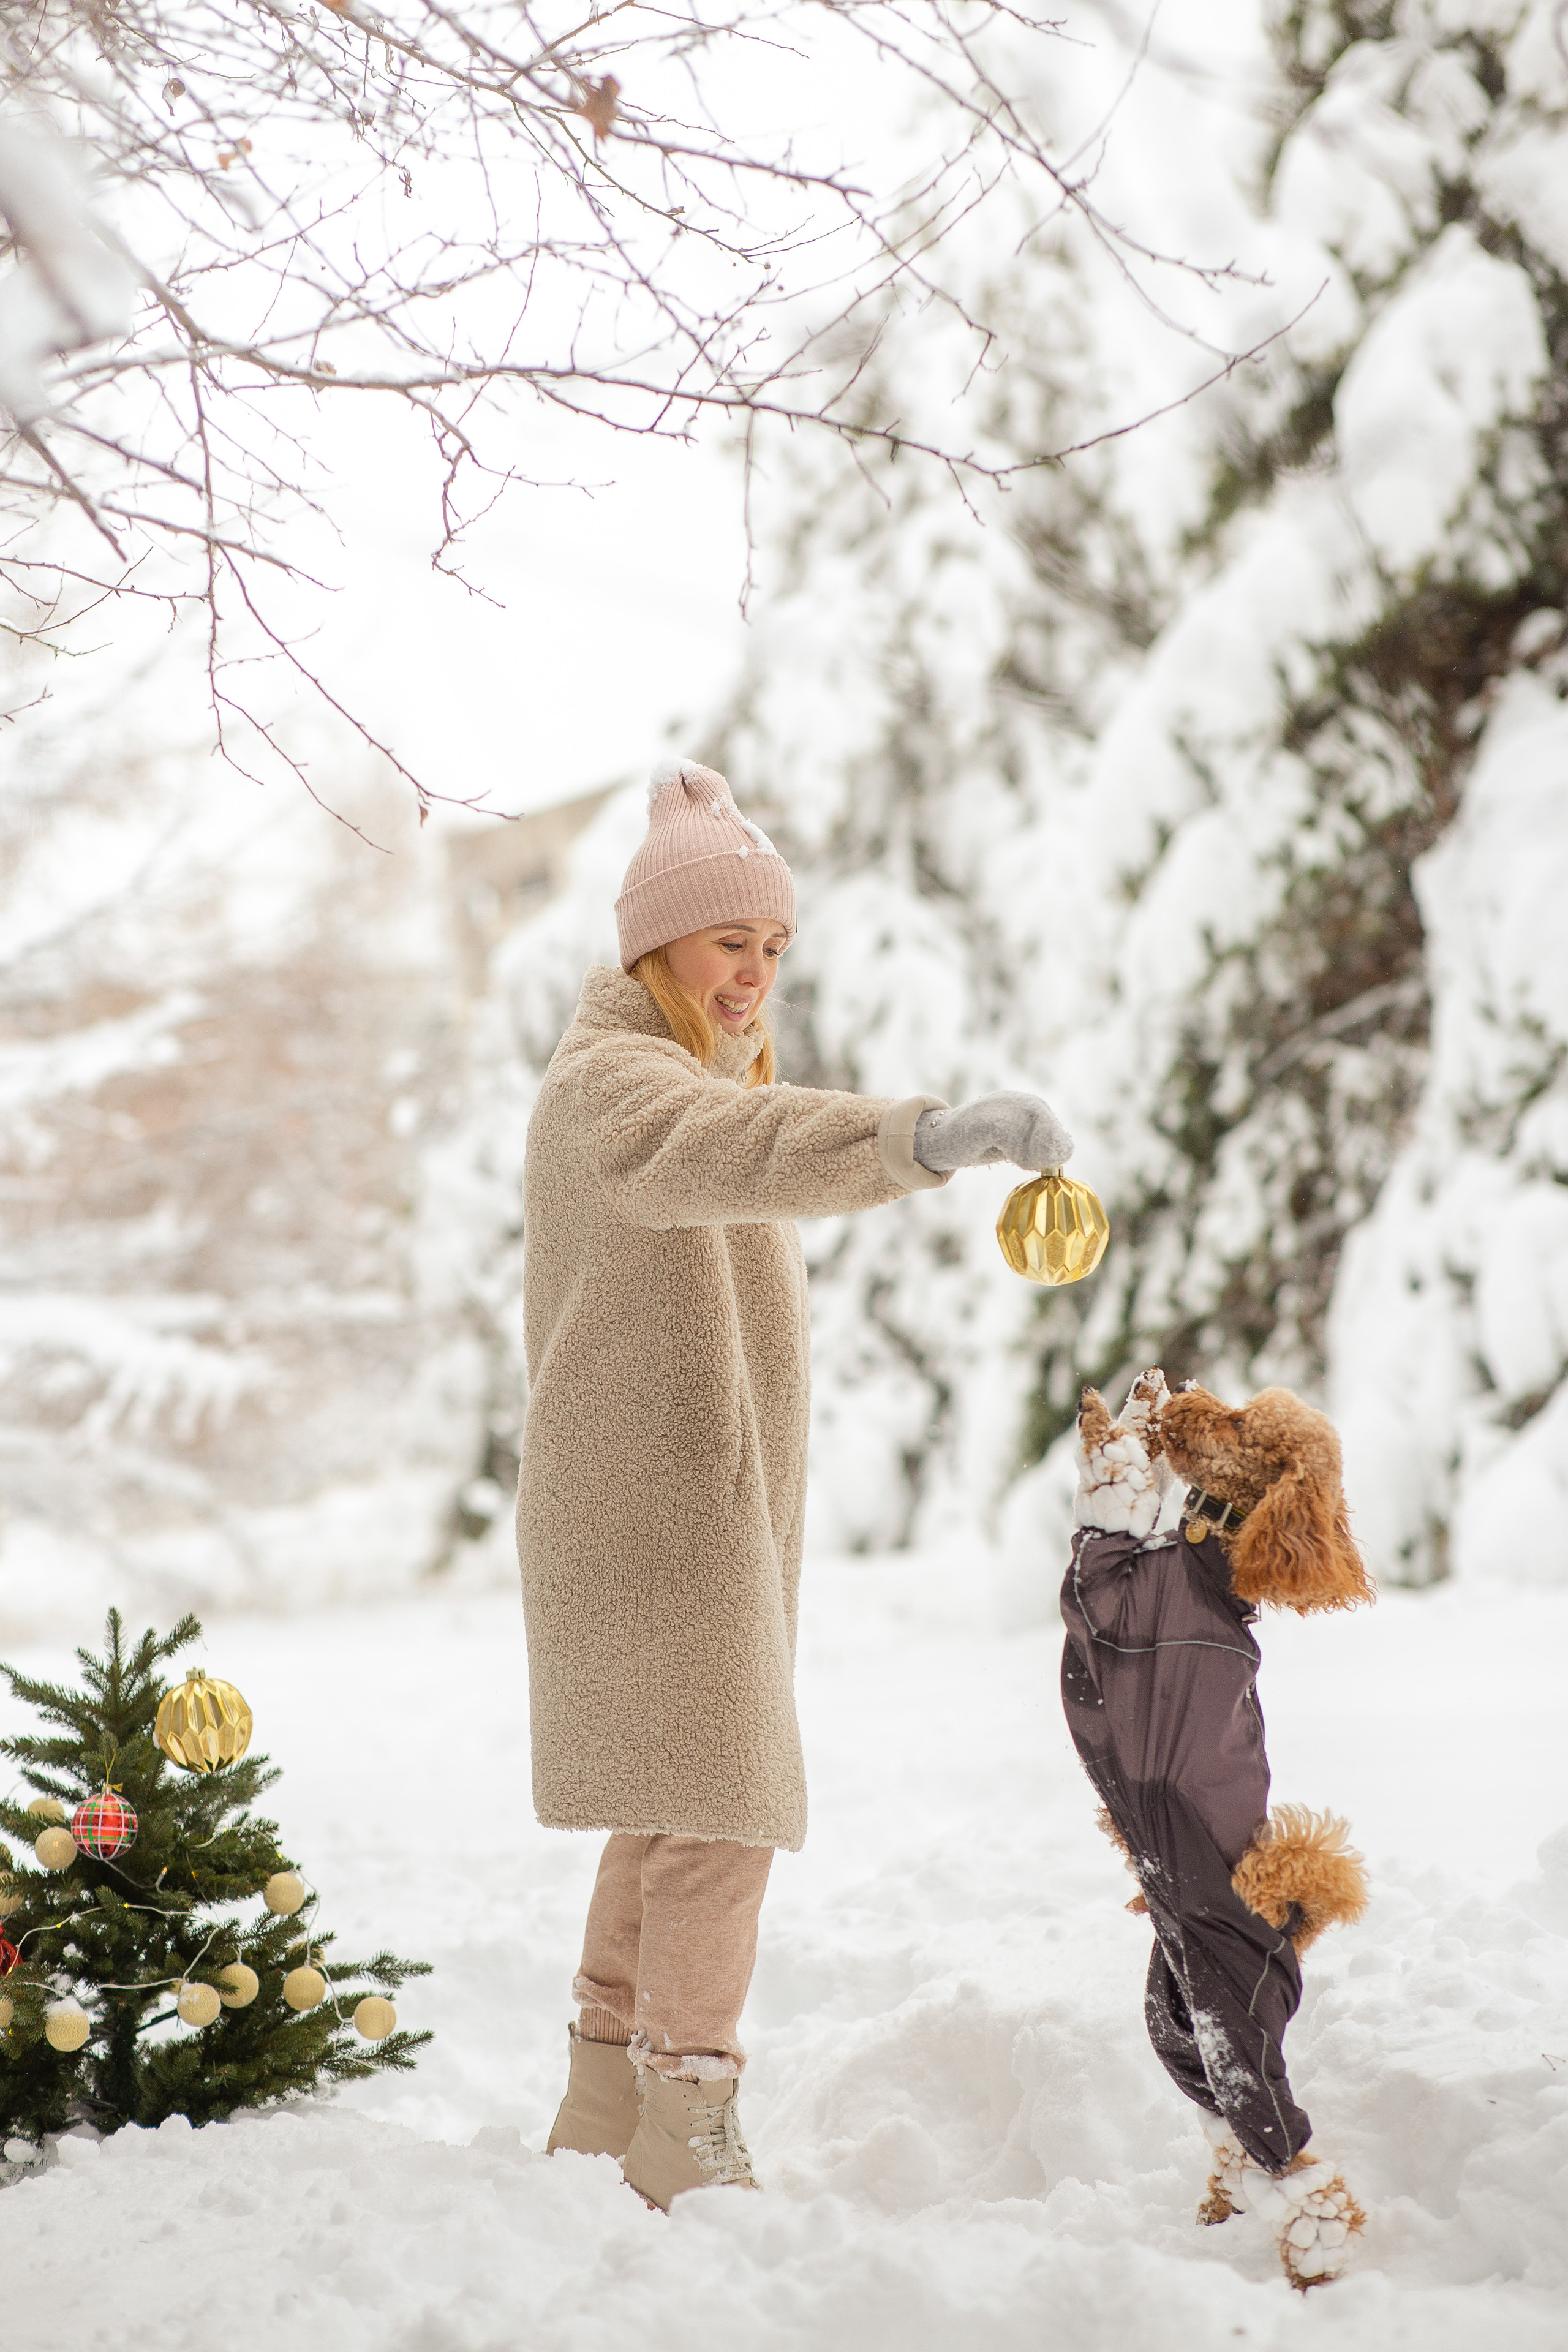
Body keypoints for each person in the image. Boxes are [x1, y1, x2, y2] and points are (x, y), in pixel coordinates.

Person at [517, 757, 1072, 2211]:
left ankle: (601, 2112)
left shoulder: (681, 1069)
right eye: (728, 945)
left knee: (670, 1802)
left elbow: (737, 1131)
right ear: (655, 945)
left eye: (772, 948)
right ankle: (683, 2119)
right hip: (651, 1519)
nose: (755, 976)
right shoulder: (619, 1087)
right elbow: (736, 1148)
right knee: (725, 1808)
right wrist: (922, 1139)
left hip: (673, 1509)